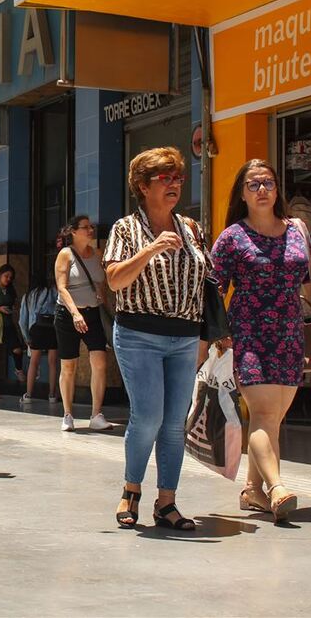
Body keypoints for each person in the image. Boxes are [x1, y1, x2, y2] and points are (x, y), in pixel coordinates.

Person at [212, 159, 311, 522]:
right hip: (248, 334)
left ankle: (253, 491)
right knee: (265, 414)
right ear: (242, 193)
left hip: (289, 334)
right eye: (253, 184)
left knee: (273, 420)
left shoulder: (297, 230)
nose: (262, 190)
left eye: (267, 182)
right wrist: (217, 337)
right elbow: (213, 291)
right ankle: (278, 488)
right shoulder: (232, 237)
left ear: (277, 188)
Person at [103, 146, 209, 531]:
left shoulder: (191, 228)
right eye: (165, 177)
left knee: (174, 423)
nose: (174, 184)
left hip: (184, 337)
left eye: (178, 177)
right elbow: (115, 280)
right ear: (143, 186)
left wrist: (208, 337)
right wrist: (149, 250)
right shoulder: (125, 229)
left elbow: (206, 283)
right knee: (148, 416)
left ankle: (167, 503)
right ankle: (131, 490)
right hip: (139, 335)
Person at [54, 215, 114, 432]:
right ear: (73, 231)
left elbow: (102, 283)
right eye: (86, 227)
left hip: (93, 314)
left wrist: (101, 296)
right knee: (68, 365)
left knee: (99, 361)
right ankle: (67, 414)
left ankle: (96, 414)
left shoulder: (98, 254)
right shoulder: (65, 255)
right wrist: (75, 314)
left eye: (92, 227)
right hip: (68, 314)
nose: (90, 230)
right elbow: (62, 287)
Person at [19, 275, 60, 403]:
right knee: (53, 362)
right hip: (51, 328)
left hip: (36, 329)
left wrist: (26, 337)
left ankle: (28, 395)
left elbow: (22, 320)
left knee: (34, 362)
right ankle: (52, 395)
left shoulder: (28, 296)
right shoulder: (52, 291)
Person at [0, 264, 25, 398]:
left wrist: (13, 309)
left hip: (8, 324)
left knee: (17, 349)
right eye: (6, 276)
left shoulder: (10, 290)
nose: (8, 279)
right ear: (0, 274)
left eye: (10, 277)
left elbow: (14, 302)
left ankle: (18, 369)